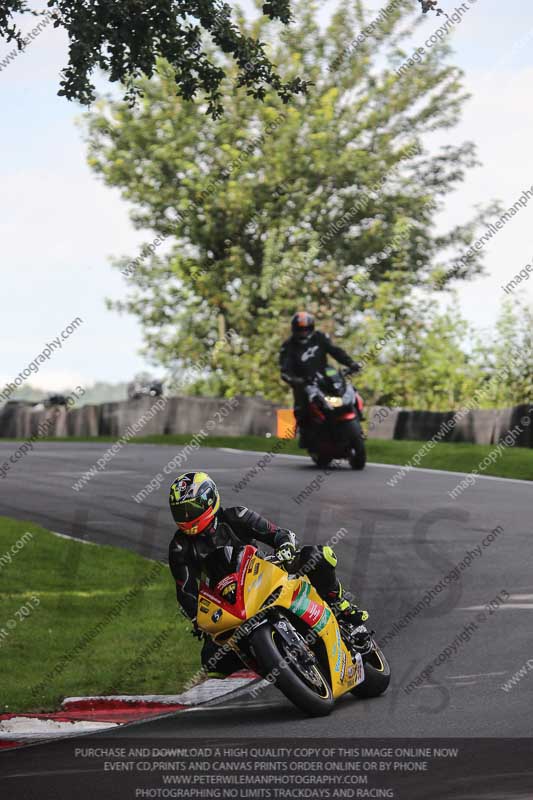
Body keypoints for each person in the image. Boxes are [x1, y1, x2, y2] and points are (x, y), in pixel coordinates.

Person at [168, 471, 370, 677]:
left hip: (266, 571)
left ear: (208, 500)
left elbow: (278, 533)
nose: (185, 517)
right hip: (231, 600)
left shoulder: (236, 516)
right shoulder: (179, 547)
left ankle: (342, 609)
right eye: (179, 512)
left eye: (190, 509)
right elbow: (186, 591)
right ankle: (266, 660)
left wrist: (285, 547)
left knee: (317, 555)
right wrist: (197, 619)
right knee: (210, 658)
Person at [279, 311, 360, 446]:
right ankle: (306, 436)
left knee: (349, 389)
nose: (303, 332)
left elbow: (335, 351)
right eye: (300, 329)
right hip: (303, 382)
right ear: (294, 329)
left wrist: (350, 363)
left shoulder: (319, 337)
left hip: (326, 376)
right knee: (301, 408)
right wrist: (293, 379)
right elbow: (285, 368)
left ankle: (356, 416)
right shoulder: (288, 346)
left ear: (311, 328)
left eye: (306, 329)